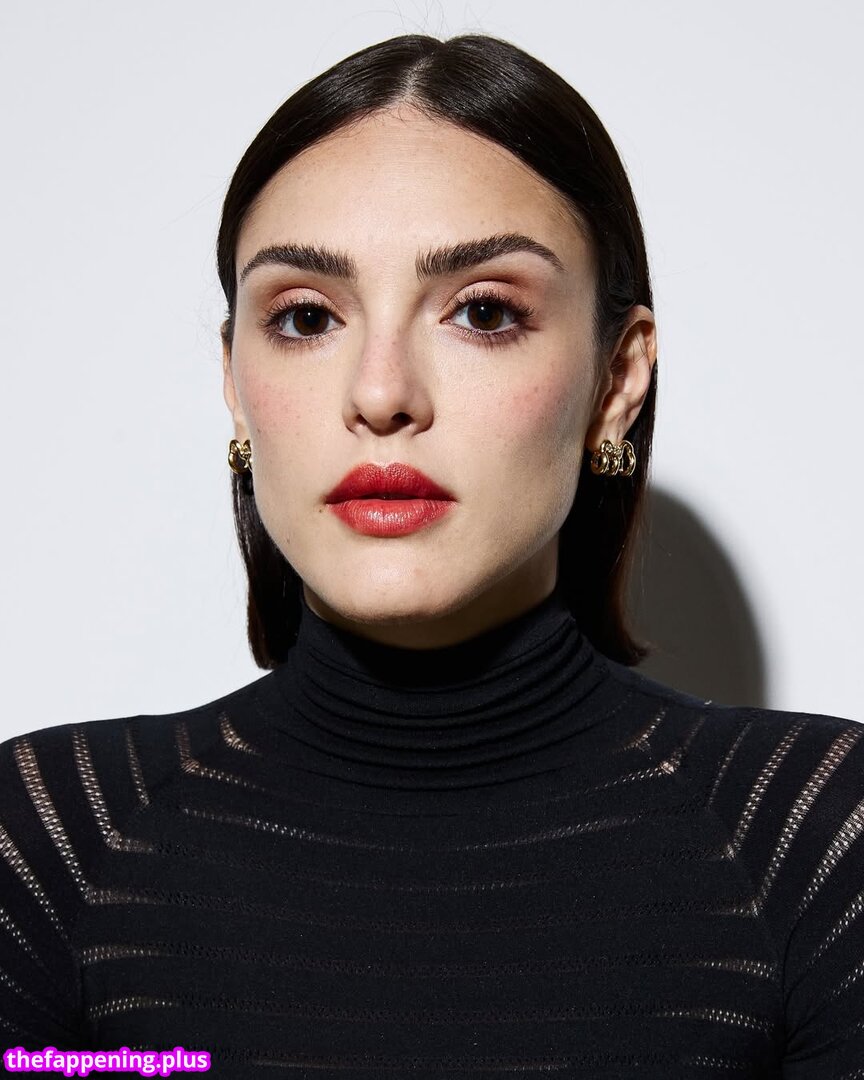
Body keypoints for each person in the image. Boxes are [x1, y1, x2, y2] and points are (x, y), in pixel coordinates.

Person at [1, 31, 862, 1078]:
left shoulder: (817, 834)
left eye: (484, 312)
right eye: (305, 317)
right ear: (233, 381)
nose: (381, 395)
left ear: (617, 381)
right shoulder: (52, 837)